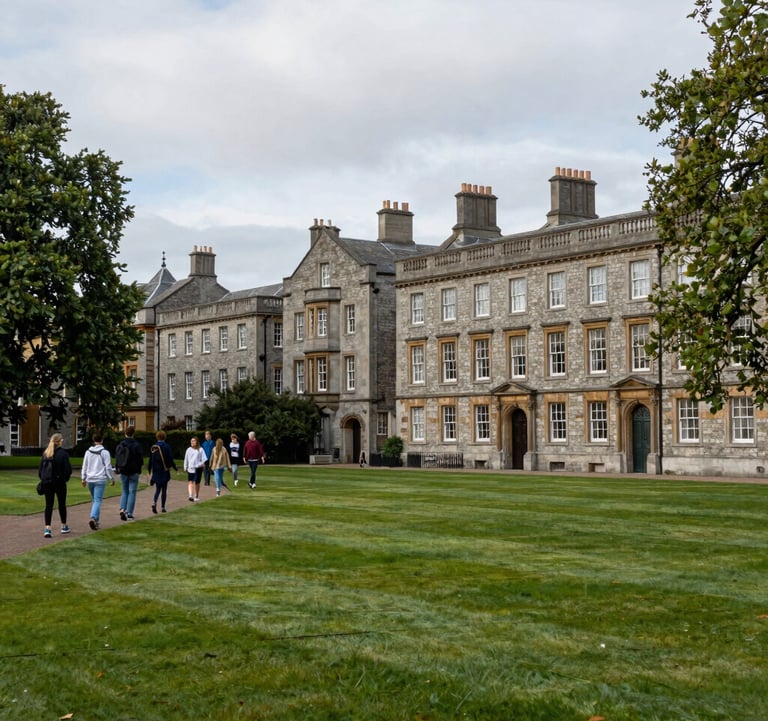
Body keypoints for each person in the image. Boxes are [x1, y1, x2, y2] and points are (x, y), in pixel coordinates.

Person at [39, 432, 72, 537]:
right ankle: (63, 525)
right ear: (60, 441)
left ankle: (47, 528)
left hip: (48, 482)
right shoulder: (63, 454)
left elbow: (40, 471)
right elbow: (68, 470)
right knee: (62, 504)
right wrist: (64, 478)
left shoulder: (46, 453)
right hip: (59, 482)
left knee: (49, 505)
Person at [80, 431, 114, 530]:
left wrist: (83, 478)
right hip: (100, 479)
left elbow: (84, 466)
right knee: (97, 500)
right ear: (102, 440)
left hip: (90, 479)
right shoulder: (105, 452)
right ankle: (93, 517)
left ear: (94, 440)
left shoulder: (88, 452)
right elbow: (108, 467)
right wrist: (111, 478)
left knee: (95, 500)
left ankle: (96, 521)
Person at [115, 427, 144, 521]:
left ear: (125, 433)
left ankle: (122, 508)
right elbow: (140, 459)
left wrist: (117, 468)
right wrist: (139, 469)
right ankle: (129, 513)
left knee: (124, 490)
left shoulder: (120, 444)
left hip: (123, 469)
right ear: (133, 434)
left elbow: (117, 457)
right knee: (132, 492)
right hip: (134, 470)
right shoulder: (136, 445)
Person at [148, 430, 177, 514]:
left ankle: (154, 502)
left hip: (156, 471)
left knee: (157, 489)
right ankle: (163, 507)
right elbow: (170, 459)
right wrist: (175, 468)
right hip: (164, 470)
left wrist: (149, 470)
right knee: (164, 489)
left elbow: (150, 460)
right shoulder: (166, 446)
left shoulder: (153, 447)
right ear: (164, 437)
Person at [184, 436, 207, 501]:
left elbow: (204, 459)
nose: (192, 442)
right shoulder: (188, 449)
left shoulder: (200, 449)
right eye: (191, 441)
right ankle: (190, 495)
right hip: (191, 468)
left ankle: (196, 496)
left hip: (198, 468)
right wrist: (185, 467)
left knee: (197, 482)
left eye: (193, 441)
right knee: (190, 481)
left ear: (197, 442)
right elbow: (186, 459)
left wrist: (201, 464)